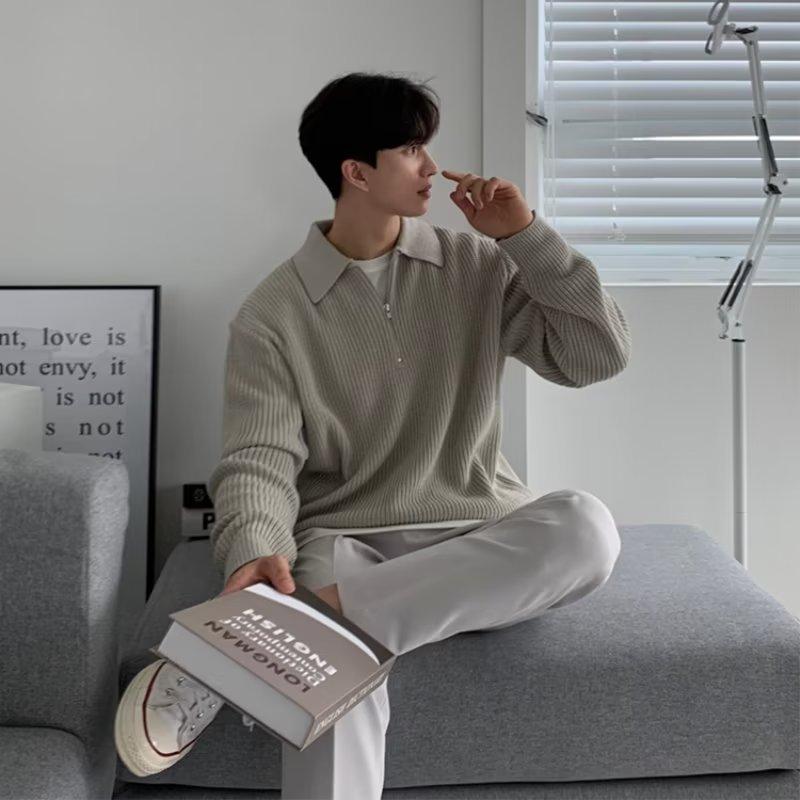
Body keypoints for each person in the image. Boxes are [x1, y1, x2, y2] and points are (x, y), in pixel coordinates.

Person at [114, 70, 632, 798]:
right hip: (345, 543)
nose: (432, 167)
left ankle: (276, 635)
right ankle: (300, 626)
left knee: (586, 527)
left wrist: (525, 237)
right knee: (331, 688)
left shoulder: (478, 265)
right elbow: (259, 458)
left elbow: (595, 357)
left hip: (475, 526)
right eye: (411, 150)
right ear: (356, 172)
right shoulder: (274, 313)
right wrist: (256, 547)